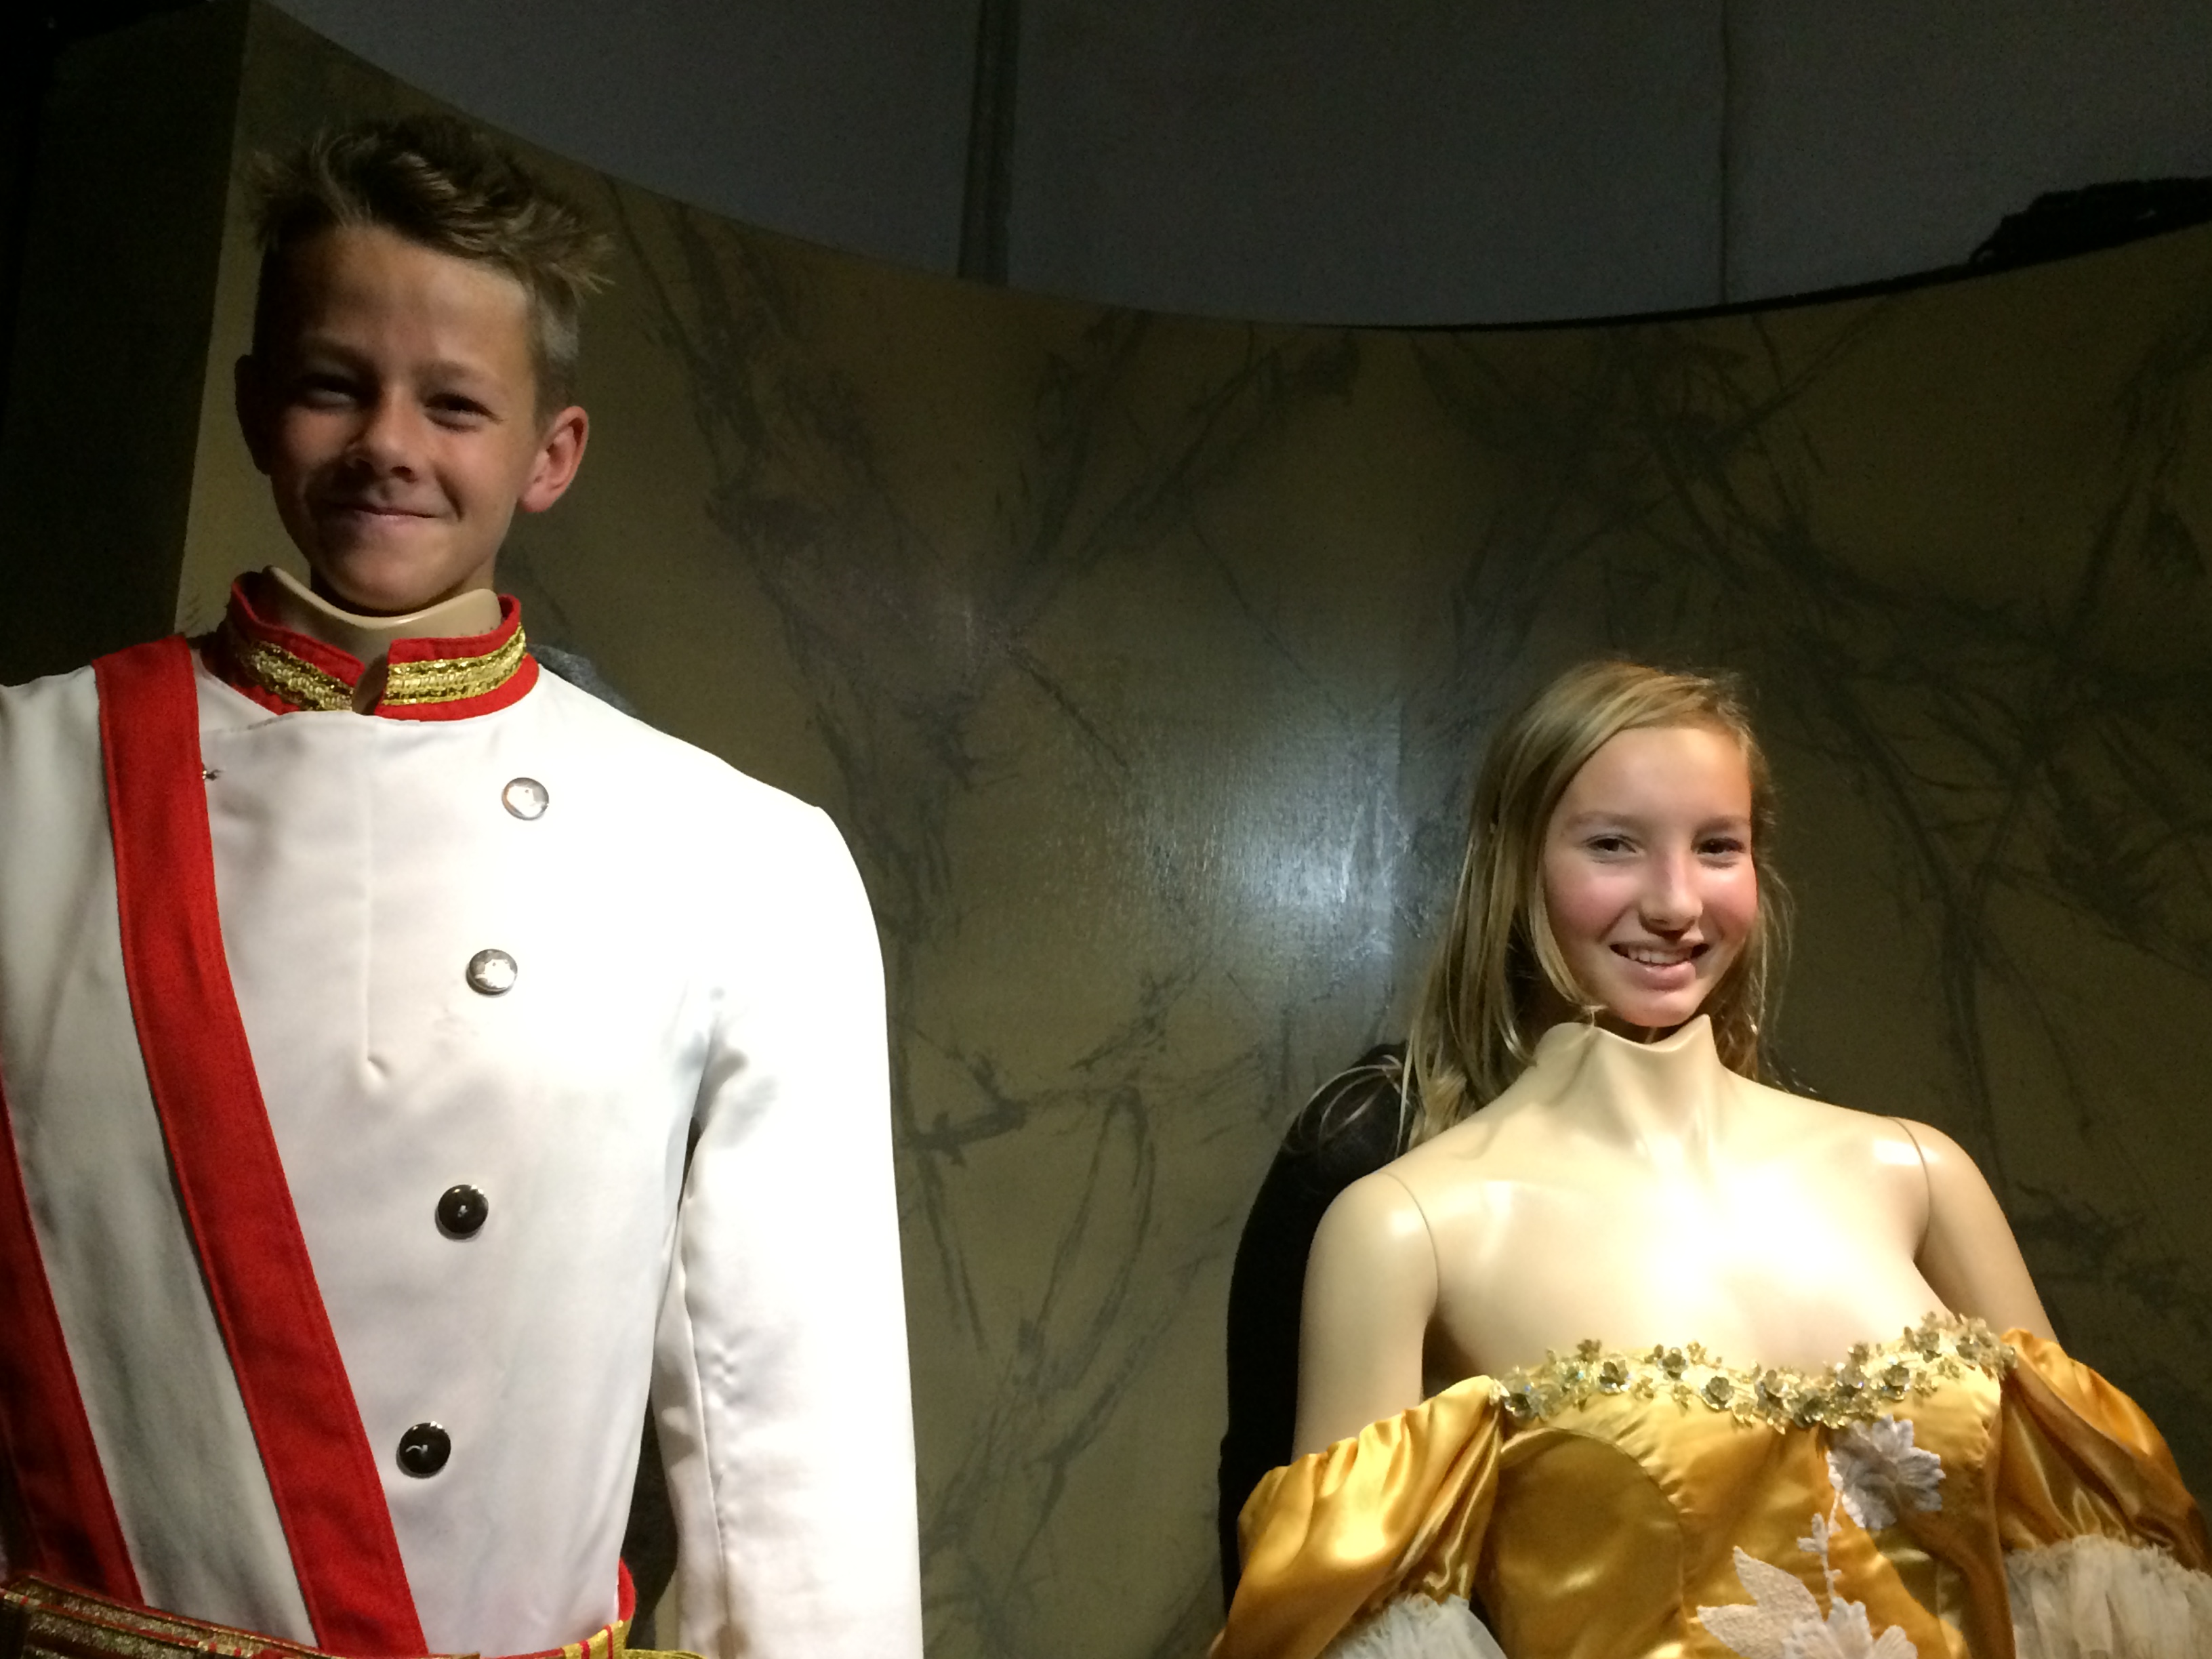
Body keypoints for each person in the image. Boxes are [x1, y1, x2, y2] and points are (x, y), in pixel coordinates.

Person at [0, 117, 922, 1659]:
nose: (388, 444)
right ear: (253, 404)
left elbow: (797, 1470)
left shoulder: (742, 861)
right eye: (332, 384)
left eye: (455, 403)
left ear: (551, 453)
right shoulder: (24, 783)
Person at [1214, 661, 2210, 1658]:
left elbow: (2099, 1570)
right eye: (1613, 844)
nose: (1675, 901)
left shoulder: (1914, 1173)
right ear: (1516, 865)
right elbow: (1335, 1612)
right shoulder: (1405, 1219)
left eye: (1718, 846)